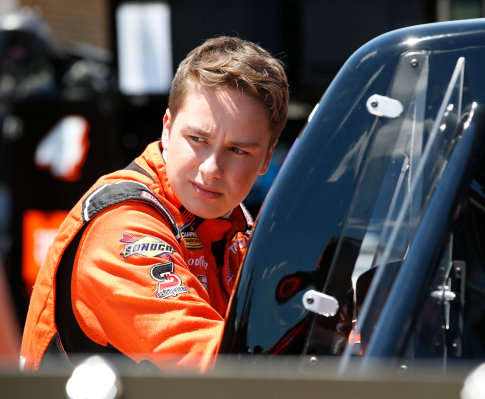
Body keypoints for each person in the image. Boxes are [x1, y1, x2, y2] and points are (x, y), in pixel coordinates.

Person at [20, 36, 289, 372]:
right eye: (197, 139)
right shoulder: (120, 226)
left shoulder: (233, 224)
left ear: (266, 159)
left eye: (238, 151)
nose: (211, 169)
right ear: (166, 129)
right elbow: (216, 368)